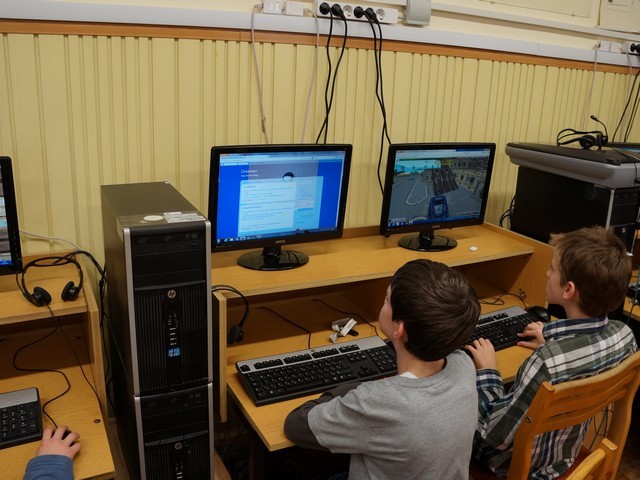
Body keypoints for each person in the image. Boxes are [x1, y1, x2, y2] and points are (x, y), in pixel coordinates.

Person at [284, 259, 481, 480]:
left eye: (387, 299)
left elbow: (295, 425)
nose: (383, 302)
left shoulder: (379, 402)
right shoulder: (464, 365)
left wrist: (356, 388)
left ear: (400, 328)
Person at [467, 226, 638, 479]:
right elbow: (583, 348)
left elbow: (493, 435)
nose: (547, 273)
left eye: (552, 269)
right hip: (564, 456)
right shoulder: (625, 336)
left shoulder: (547, 362)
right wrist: (550, 334)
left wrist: (489, 371)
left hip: (515, 467)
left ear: (568, 290)